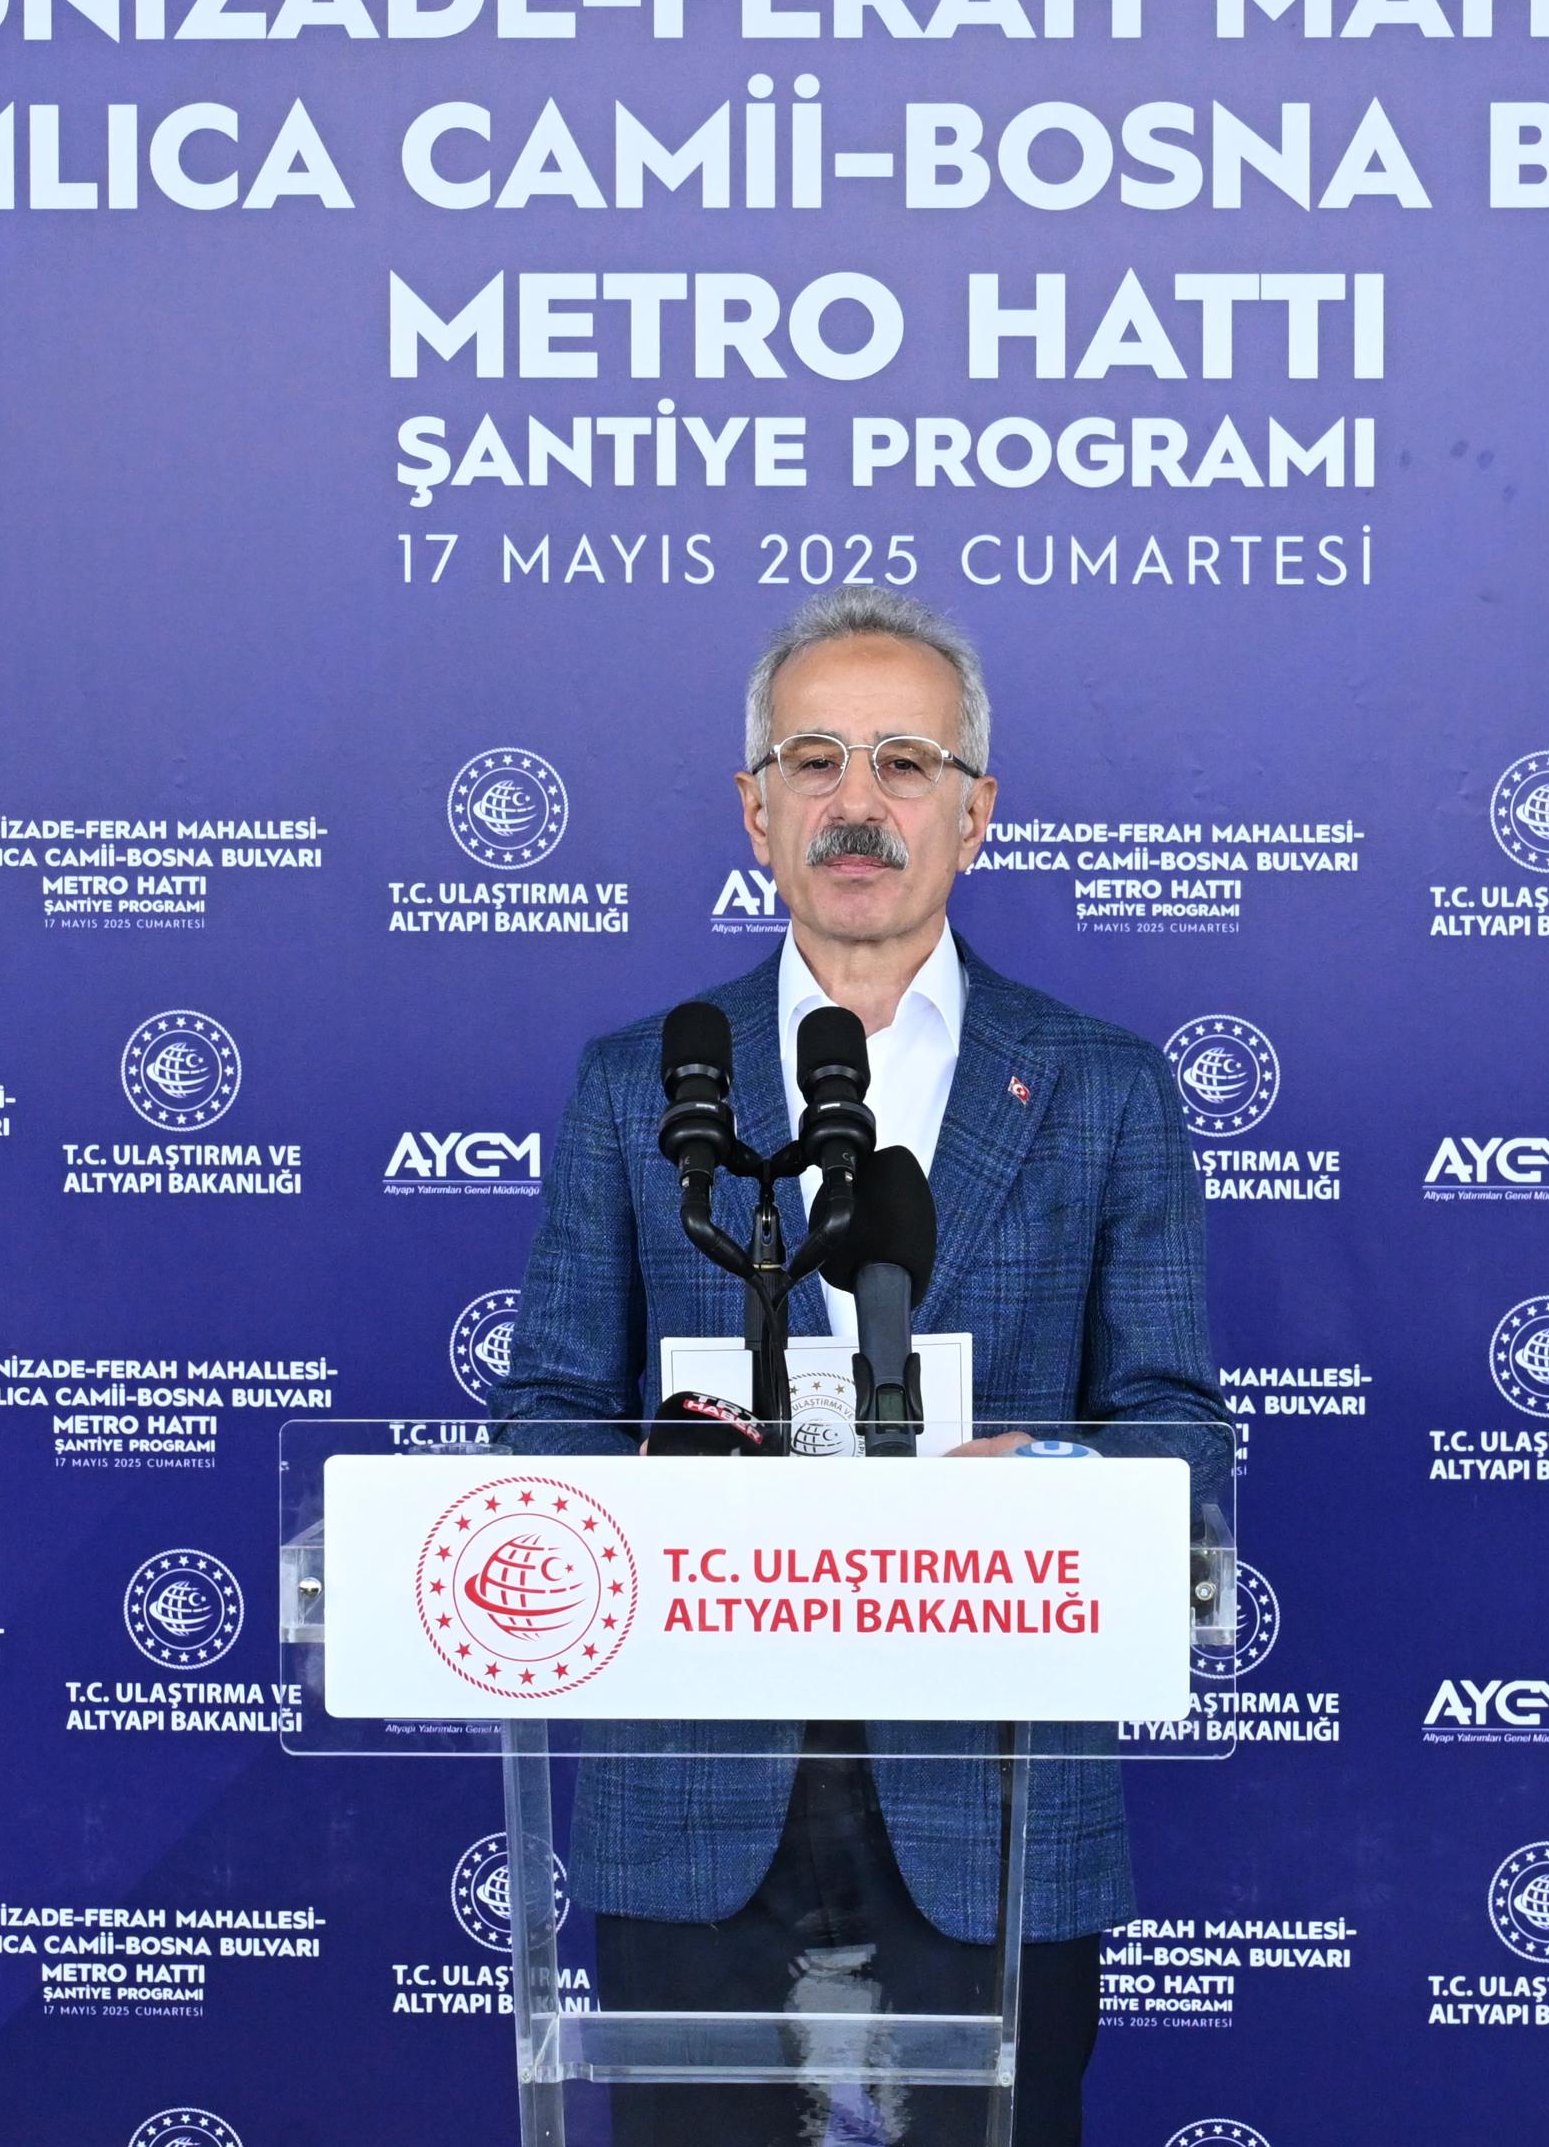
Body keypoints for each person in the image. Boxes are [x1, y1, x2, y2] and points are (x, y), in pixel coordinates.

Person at [498, 585, 1223, 2146]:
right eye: (814, 760)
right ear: (754, 811)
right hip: (698, 1791)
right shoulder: (640, 1085)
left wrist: (1056, 1482)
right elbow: (543, 1415)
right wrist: (640, 1483)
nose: (856, 803)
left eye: (906, 763)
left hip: (989, 1794)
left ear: (977, 814)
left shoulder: (1102, 1088)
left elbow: (1177, 1429)